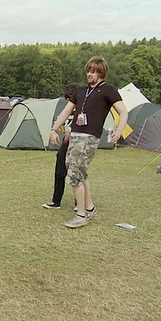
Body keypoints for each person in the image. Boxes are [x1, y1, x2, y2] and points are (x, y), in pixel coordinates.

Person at [50, 56, 128, 228]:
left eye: (93, 71)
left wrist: (119, 130)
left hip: (89, 138)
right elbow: (66, 111)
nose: (89, 74)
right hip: (75, 136)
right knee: (80, 172)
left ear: (101, 73)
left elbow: (123, 112)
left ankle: (81, 214)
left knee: (74, 175)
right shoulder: (81, 91)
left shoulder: (109, 90)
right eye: (88, 70)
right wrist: (54, 129)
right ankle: (89, 207)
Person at [43, 83, 79, 210]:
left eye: (71, 98)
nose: (69, 102)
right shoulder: (67, 112)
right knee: (59, 172)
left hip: (78, 145)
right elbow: (62, 125)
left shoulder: (82, 112)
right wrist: (56, 131)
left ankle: (79, 202)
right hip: (66, 143)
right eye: (67, 99)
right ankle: (56, 201)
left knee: (76, 173)